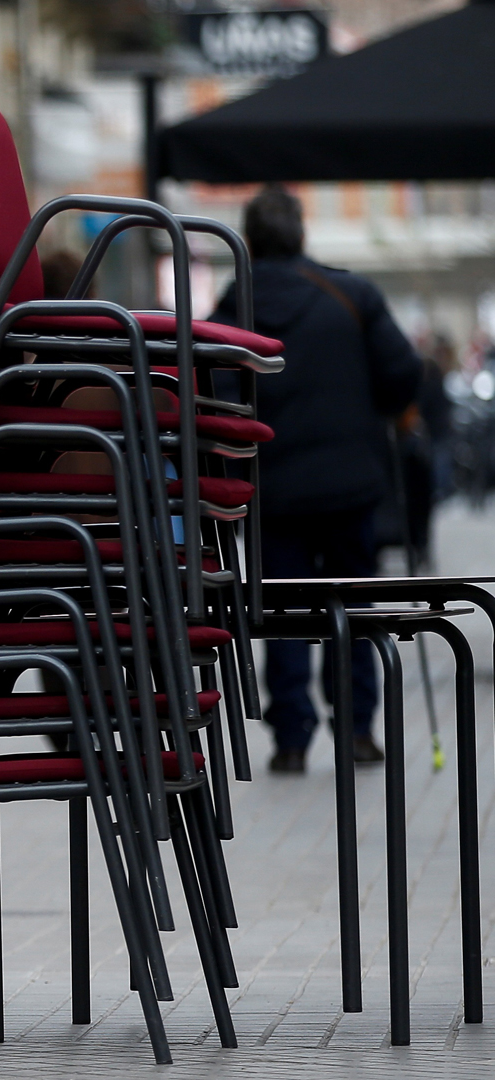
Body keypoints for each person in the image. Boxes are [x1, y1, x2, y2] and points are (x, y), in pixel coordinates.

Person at [210, 184, 422, 774]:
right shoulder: (352, 294)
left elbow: (215, 407)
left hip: (271, 493)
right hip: (351, 484)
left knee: (280, 611)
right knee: (351, 605)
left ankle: (292, 737)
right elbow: (403, 375)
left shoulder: (232, 311)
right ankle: (356, 729)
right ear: (302, 232)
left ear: (249, 239)